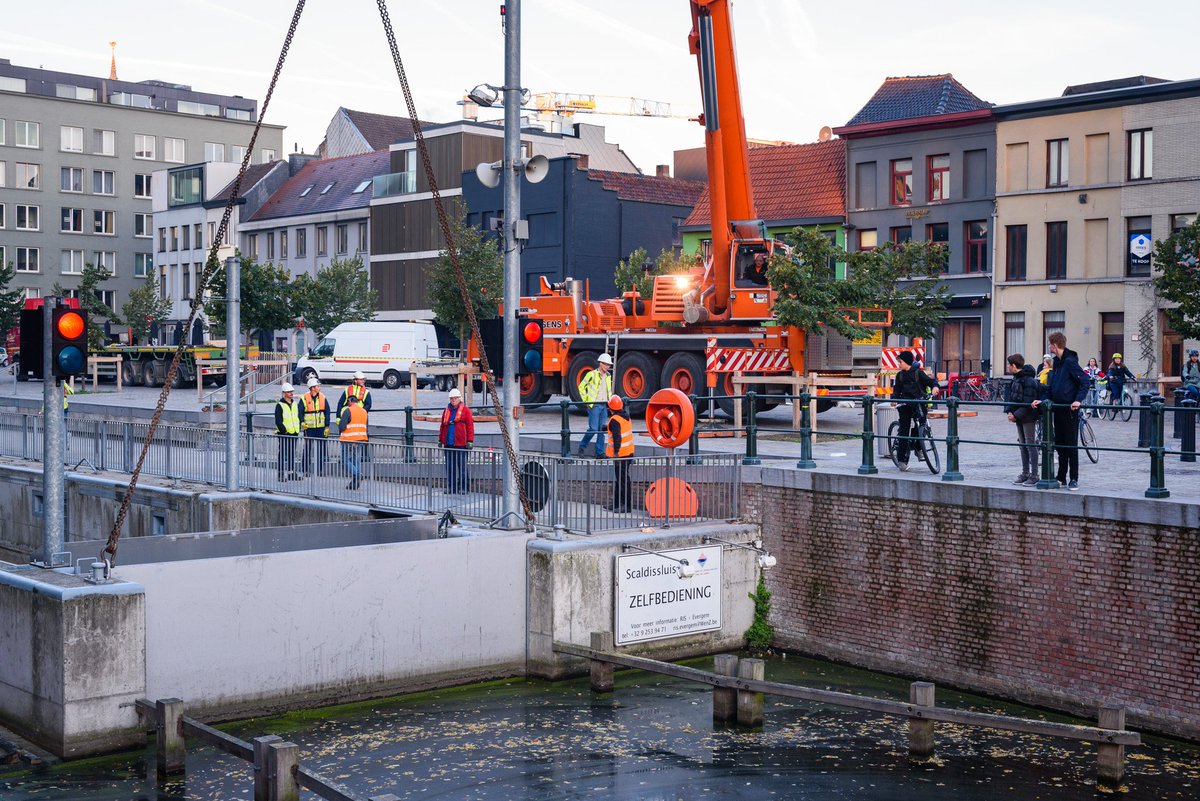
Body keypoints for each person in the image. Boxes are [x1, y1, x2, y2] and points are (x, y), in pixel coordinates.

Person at [1033, 332, 1089, 490]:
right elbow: (1053, 387)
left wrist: (1078, 400)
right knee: (1060, 444)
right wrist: (1043, 399)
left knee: (1071, 445)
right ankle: (1061, 476)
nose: (1049, 347)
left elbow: (1085, 382)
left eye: (1050, 344)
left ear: (1055, 345)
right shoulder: (1056, 363)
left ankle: (1074, 478)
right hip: (1057, 408)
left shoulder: (1070, 362)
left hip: (1069, 409)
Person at [891, 350, 938, 471]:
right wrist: (894, 399)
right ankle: (902, 460)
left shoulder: (918, 373)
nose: (899, 364)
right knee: (904, 432)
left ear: (906, 362)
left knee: (921, 426)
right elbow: (896, 390)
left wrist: (935, 387)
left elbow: (931, 381)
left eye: (900, 362)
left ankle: (918, 448)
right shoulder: (900, 375)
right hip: (905, 405)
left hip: (919, 404)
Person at [1003, 355, 1040, 485]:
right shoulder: (1016, 379)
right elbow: (1012, 398)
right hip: (1019, 416)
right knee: (1022, 445)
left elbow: (1028, 402)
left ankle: (1034, 474)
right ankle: (1025, 473)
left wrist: (1015, 414)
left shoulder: (1028, 381)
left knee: (1030, 444)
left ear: (1014, 366)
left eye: (1009, 365)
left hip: (1028, 417)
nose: (1008, 367)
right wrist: (1009, 411)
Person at [438, 387, 475, 494]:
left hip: (461, 444)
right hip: (449, 443)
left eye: (455, 398)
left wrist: (470, 440)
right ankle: (452, 487)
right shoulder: (446, 411)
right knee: (450, 467)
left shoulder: (466, 411)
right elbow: (442, 426)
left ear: (460, 399)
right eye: (451, 398)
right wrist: (440, 439)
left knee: (462, 467)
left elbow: (470, 427)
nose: (453, 400)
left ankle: (464, 487)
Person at [577, 353, 614, 458]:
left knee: (601, 430)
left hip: (604, 405)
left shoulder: (608, 376)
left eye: (609, 365)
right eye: (606, 364)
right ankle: (582, 447)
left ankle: (599, 453)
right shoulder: (592, 374)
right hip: (595, 405)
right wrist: (587, 401)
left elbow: (609, 391)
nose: (608, 367)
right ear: (601, 364)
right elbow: (581, 387)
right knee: (593, 429)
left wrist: (610, 404)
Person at [605, 395, 635, 512]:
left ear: (610, 407)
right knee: (620, 479)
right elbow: (619, 430)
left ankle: (626, 506)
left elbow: (617, 437)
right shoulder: (625, 417)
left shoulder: (614, 420)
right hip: (628, 452)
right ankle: (617, 503)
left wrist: (616, 453)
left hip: (621, 455)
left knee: (623, 481)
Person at [299, 377, 331, 476]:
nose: (319, 387)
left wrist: (327, 426)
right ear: (312, 388)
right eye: (317, 386)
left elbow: (327, 412)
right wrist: (302, 422)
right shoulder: (304, 398)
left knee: (321, 449)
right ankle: (305, 470)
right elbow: (300, 412)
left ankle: (319, 470)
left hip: (321, 427)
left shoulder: (322, 397)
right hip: (309, 428)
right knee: (307, 449)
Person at [338, 393, 368, 490]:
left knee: (344, 460)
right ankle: (355, 483)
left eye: (348, 402)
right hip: (360, 439)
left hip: (348, 439)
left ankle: (357, 474)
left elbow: (342, 426)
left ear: (350, 401)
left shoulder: (348, 411)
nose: (347, 404)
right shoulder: (364, 411)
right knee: (356, 460)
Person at [274, 382, 301, 481]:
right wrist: (283, 431)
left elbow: (297, 417)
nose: (291, 393)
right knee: (282, 454)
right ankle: (280, 475)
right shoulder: (280, 405)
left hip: (294, 432)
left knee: (291, 454)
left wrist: (297, 429)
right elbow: (278, 420)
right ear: (284, 393)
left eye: (291, 391)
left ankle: (291, 473)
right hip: (284, 434)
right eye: (288, 392)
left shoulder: (294, 404)